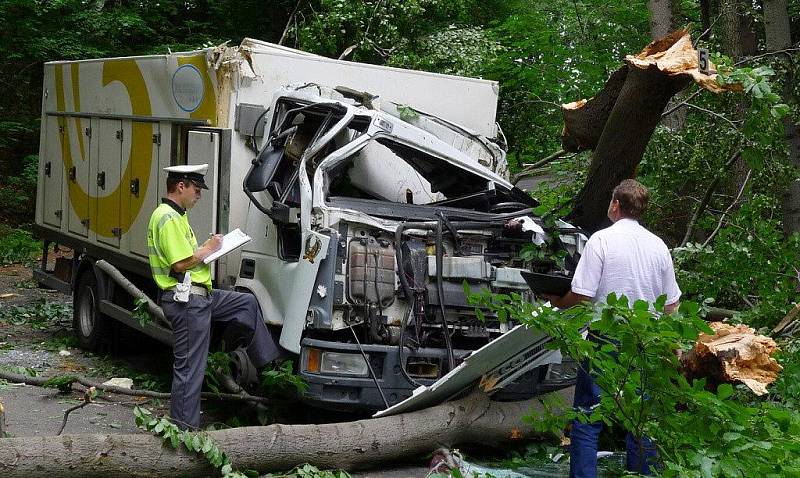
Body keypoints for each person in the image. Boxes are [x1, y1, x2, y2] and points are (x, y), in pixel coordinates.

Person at [544, 179, 681, 478]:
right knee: (641, 419)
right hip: (645, 340)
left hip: (605, 337)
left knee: (587, 417)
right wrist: (673, 347)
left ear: (616, 204)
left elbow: (582, 294)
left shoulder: (601, 241)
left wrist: (557, 299)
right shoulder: (659, 246)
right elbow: (672, 305)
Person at [147, 164, 282, 430]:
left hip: (199, 296)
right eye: (196, 190)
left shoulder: (177, 215)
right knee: (190, 370)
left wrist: (208, 250)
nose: (199, 196)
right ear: (181, 186)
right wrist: (208, 248)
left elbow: (188, 257)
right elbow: (179, 263)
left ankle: (269, 365)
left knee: (246, 302)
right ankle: (185, 432)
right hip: (186, 301)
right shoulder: (167, 217)